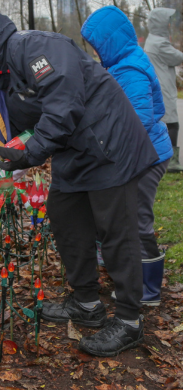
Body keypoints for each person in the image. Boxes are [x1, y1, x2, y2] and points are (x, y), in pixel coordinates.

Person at [0, 11, 159, 357]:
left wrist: (31, 153)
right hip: (76, 152)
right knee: (65, 215)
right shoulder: (1, 80)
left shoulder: (34, 48)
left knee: (115, 230)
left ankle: (129, 321)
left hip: (108, 143)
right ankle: (86, 303)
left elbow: (63, 105)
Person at [81, 6, 173, 307]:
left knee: (138, 220)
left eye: (97, 46)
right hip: (140, 153)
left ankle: (148, 290)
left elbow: (138, 119)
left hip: (147, 155)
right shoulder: (121, 63)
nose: (95, 52)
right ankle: (137, 282)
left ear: (109, 41)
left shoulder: (130, 68)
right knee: (131, 218)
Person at [145, 8, 183, 172]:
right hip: (163, 88)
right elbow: (178, 58)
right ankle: (172, 162)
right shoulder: (160, 43)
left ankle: (160, 157)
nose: (169, 24)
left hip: (157, 85)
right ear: (160, 23)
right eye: (166, 20)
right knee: (172, 123)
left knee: (161, 122)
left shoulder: (152, 40)